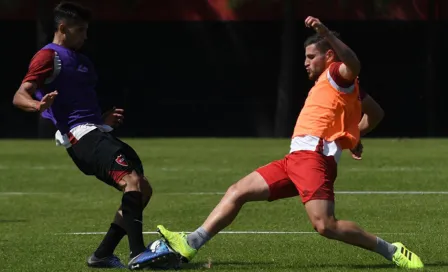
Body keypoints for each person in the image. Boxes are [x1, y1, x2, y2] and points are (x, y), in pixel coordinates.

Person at [155, 16, 423, 269]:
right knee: (238, 191)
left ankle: (392, 250)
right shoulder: (332, 84)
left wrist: (326, 33)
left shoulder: (337, 74)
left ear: (329, 55)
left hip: (312, 158)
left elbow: (354, 64)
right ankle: (191, 244)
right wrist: (352, 138)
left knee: (325, 225)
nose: (305, 62)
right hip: (297, 158)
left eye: (310, 56)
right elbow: (375, 113)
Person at [12, 2, 176, 270]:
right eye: (80, 30)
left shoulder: (82, 60)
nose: (85, 36)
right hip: (81, 136)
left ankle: (102, 255)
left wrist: (103, 120)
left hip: (95, 130)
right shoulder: (47, 56)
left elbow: (79, 105)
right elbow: (20, 94)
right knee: (131, 181)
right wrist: (37, 106)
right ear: (62, 28)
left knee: (142, 189)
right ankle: (138, 254)